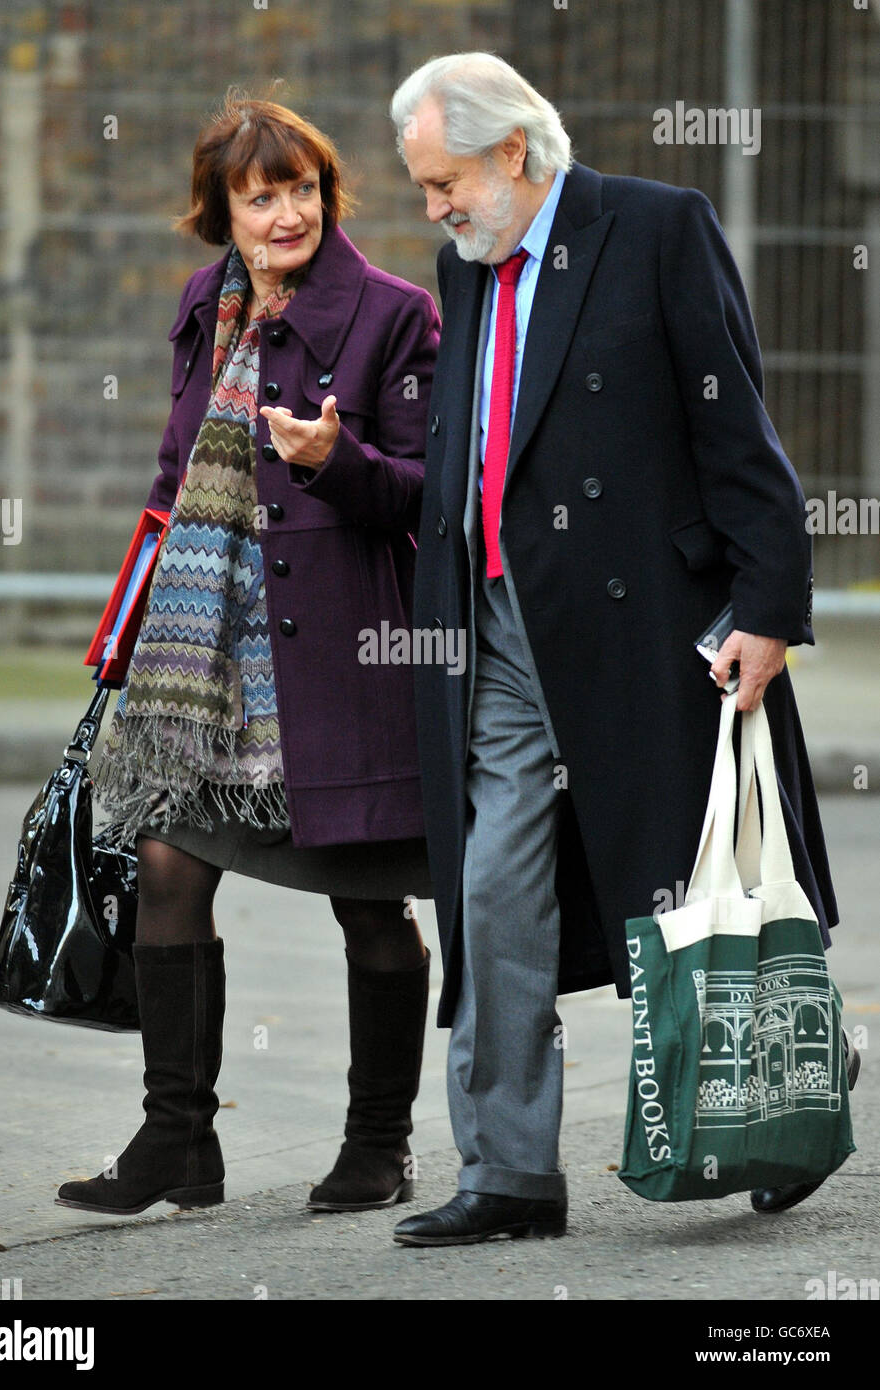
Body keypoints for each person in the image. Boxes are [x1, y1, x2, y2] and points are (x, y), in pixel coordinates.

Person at [388, 52, 854, 1246]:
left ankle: (771, 1107)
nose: (433, 208)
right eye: (424, 188)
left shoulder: (653, 228)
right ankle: (508, 1172)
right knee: (488, 895)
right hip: (496, 626)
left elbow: (736, 428)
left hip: (644, 622)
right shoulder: (467, 264)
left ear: (512, 153)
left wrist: (768, 604)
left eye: (445, 181)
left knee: (691, 885)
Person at [55, 92, 440, 1219]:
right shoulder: (202, 306)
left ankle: (379, 1142)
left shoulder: (393, 316)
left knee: (369, 902)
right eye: (259, 196)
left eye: (302, 190)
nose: (287, 215)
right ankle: (178, 1139)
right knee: (169, 867)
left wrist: (336, 460)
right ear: (219, 210)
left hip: (342, 659)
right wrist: (134, 632)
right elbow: (176, 485)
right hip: (202, 661)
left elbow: (428, 494)